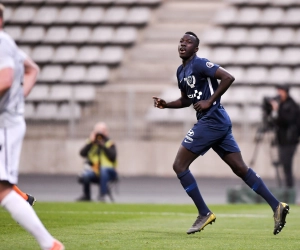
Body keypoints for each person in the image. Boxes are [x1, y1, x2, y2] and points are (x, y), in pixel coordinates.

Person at [152, 31, 289, 235]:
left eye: (188, 42)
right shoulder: (181, 72)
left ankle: (204, 212)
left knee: (179, 165)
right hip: (216, 122)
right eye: (181, 41)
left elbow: (228, 77)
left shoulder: (200, 64)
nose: (183, 44)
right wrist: (167, 105)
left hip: (212, 120)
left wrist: (210, 100)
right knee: (240, 169)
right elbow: (187, 99)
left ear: (196, 48)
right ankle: (277, 206)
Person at [0, 4, 64, 250]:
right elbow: (32, 69)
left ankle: (49, 244)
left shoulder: (2, 42)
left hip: (5, 123)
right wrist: (19, 98)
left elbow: (5, 80)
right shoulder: (9, 44)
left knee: (3, 190)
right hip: (9, 118)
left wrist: (14, 101)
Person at [77, 122, 118, 202]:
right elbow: (82, 153)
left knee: (103, 170)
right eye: (97, 131)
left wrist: (103, 145)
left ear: (106, 132)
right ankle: (86, 196)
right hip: (95, 170)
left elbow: (113, 156)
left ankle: (103, 195)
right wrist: (91, 142)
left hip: (109, 171)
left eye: (101, 131)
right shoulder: (91, 143)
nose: (99, 134)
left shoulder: (109, 143)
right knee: (85, 175)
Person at [270, 85, 299, 188]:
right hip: (282, 140)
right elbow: (276, 122)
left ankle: (289, 188)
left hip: (290, 140)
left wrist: (277, 110)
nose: (279, 94)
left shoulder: (292, 105)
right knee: (284, 165)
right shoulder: (282, 105)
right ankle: (286, 188)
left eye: (281, 91)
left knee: (287, 165)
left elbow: (288, 120)